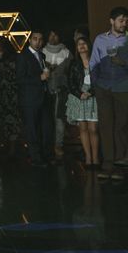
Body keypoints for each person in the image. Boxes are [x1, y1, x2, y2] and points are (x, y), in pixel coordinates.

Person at [90, 6, 128, 180]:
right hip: (103, 87)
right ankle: (108, 163)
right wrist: (96, 84)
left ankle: (120, 164)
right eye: (121, 20)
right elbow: (93, 64)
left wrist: (123, 63)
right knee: (105, 125)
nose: (124, 23)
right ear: (111, 21)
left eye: (126, 20)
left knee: (121, 126)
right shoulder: (100, 39)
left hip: (124, 87)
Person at [16, 30, 54, 167]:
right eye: (35, 39)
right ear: (30, 40)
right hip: (29, 99)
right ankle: (36, 158)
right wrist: (40, 78)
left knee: (45, 128)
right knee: (32, 130)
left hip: (43, 97)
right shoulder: (22, 56)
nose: (38, 42)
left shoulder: (42, 55)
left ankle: (46, 156)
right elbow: (19, 79)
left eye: (40, 39)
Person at [66, 37, 99, 169]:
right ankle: (88, 158)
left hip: (93, 97)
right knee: (83, 128)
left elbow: (100, 79)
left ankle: (96, 158)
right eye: (79, 44)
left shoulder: (96, 62)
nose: (81, 46)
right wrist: (80, 94)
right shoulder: (74, 64)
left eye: (84, 43)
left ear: (88, 45)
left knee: (93, 129)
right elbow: (70, 82)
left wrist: (90, 92)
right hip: (79, 98)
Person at [43, 30, 72, 159]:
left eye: (56, 34)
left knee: (60, 119)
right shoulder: (42, 52)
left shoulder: (66, 52)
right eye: (51, 34)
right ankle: (48, 145)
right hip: (45, 92)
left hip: (61, 91)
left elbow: (70, 70)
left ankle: (58, 145)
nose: (53, 37)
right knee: (47, 120)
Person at [0, 36, 21, 157]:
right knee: (5, 121)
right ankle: (8, 147)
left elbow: (11, 78)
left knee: (11, 121)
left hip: (9, 96)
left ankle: (12, 149)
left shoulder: (9, 60)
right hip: (4, 95)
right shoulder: (1, 59)